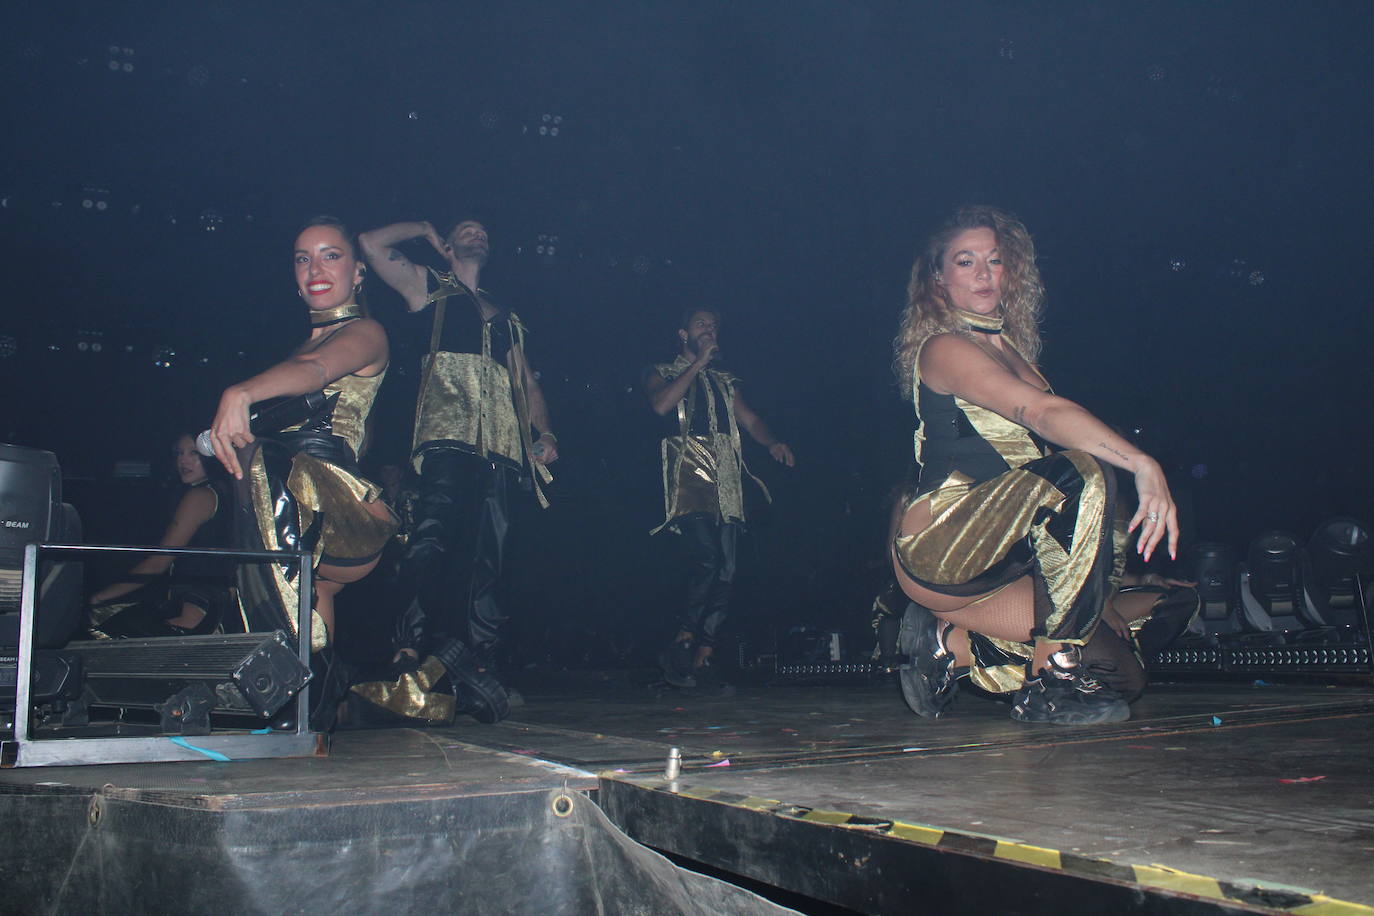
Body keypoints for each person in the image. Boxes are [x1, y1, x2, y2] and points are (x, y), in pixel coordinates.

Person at [890, 205, 1181, 725]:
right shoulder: (945, 347)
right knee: (1082, 471)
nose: (983, 273)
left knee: (1125, 673)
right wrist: (1142, 463)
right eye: (965, 261)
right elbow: (1040, 414)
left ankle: (955, 647)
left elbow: (1074, 513)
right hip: (947, 546)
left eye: (994, 260)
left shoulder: (1020, 358)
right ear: (938, 278)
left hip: (1012, 561)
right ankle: (1051, 677)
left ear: (1012, 271)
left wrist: (1104, 585)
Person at [348, 217, 558, 725]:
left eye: (485, 230)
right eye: (466, 228)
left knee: (491, 556)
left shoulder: (505, 314)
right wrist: (423, 228)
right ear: (449, 244)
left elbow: (527, 380)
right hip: (447, 434)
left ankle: (477, 664)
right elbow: (370, 243)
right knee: (431, 540)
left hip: (503, 446)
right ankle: (405, 653)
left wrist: (545, 433)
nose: (478, 233)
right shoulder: (429, 286)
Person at [207, 216, 398, 727]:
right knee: (314, 596)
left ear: (359, 272)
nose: (315, 268)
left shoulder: (365, 331)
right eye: (303, 258)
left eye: (330, 255)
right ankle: (312, 710)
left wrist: (239, 393)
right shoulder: (295, 349)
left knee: (262, 461)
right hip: (310, 527)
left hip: (346, 509)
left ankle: (287, 681)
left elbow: (316, 374)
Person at [645, 307, 795, 691]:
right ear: (683, 333)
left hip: (725, 472)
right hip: (688, 467)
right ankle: (680, 642)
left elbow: (751, 420)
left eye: (713, 326)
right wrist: (697, 364)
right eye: (700, 324)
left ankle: (704, 654)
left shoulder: (726, 382)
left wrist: (772, 441)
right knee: (707, 557)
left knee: (727, 566)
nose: (709, 329)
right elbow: (661, 405)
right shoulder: (664, 370)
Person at [87, 433, 234, 638]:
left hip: (197, 609)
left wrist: (97, 598)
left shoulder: (200, 496)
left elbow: (158, 563)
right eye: (179, 453)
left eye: (193, 453)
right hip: (213, 605)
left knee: (101, 630)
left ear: (211, 455)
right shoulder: (222, 491)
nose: (183, 460)